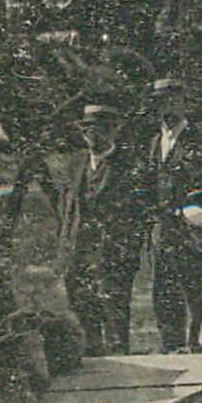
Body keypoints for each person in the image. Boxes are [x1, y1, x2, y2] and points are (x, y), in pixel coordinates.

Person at [57, 103, 150, 356]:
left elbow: (138, 215)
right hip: (80, 251)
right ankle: (93, 362)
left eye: (98, 130)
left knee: (114, 314)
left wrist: (127, 252)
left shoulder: (130, 166)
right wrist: (65, 248)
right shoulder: (76, 164)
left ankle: (121, 367)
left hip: (113, 253)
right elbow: (67, 210)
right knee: (82, 310)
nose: (91, 136)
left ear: (112, 132)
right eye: (87, 130)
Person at [145, 77, 202, 354]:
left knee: (194, 285)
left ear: (184, 103)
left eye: (171, 100)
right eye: (160, 102)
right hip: (161, 228)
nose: (166, 108)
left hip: (191, 227)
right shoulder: (155, 142)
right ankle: (171, 344)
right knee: (162, 289)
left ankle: (197, 343)